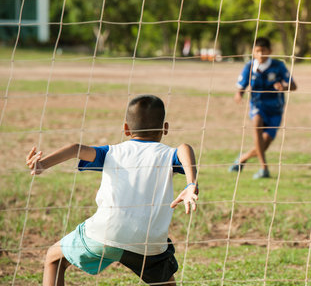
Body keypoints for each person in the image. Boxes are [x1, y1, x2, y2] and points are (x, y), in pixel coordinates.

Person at [25, 95, 198, 286]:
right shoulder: (167, 155)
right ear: (165, 128)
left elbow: (75, 149)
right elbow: (184, 149)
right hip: (148, 242)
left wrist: (42, 164)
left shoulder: (111, 153)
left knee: (54, 259)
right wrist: (191, 184)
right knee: (165, 283)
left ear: (126, 129)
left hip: (105, 233)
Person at [230, 37, 297, 179]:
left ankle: (242, 158)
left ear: (270, 51)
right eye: (257, 51)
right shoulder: (249, 67)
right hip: (257, 106)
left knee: (264, 143)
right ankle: (264, 168)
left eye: (263, 51)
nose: (260, 54)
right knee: (256, 125)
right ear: (253, 52)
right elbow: (242, 85)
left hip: (275, 109)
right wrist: (239, 94)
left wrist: (284, 87)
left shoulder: (278, 66)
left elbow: (294, 85)